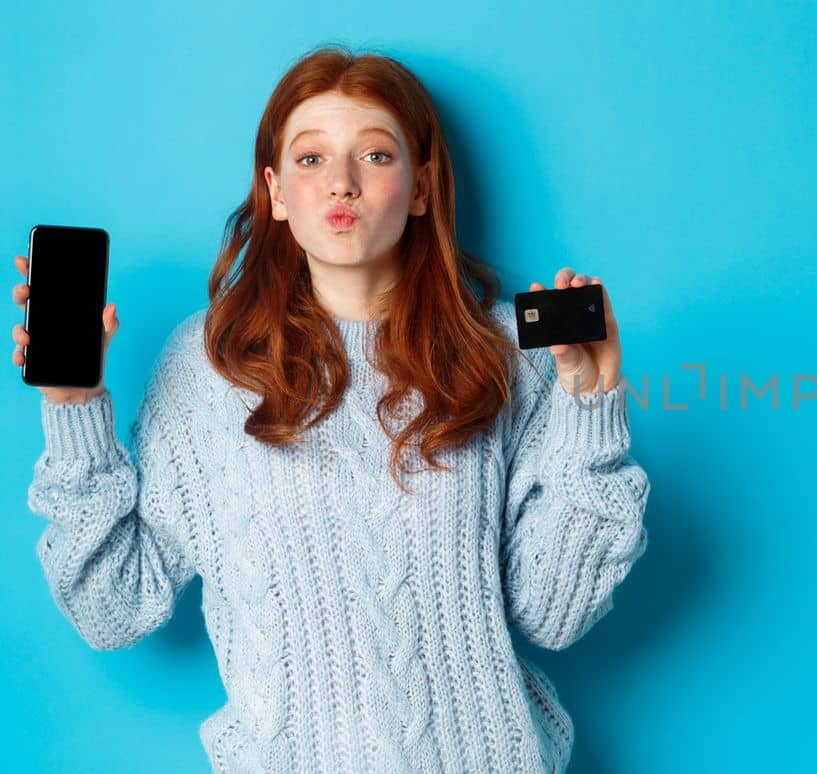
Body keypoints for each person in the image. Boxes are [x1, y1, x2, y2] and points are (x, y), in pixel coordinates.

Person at [11, 44, 647, 774]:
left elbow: (553, 614)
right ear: (276, 193)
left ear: (420, 187)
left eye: (375, 156)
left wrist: (591, 408)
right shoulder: (205, 365)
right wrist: (73, 406)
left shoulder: (504, 352)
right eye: (311, 160)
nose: (341, 182)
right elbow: (113, 607)